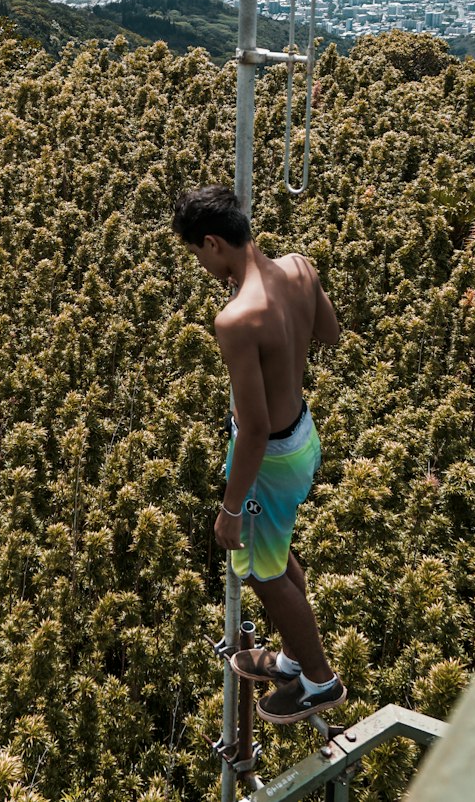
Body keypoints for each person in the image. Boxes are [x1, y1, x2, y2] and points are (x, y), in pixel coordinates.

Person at [172, 185, 346, 723]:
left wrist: (229, 508)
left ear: (213, 242)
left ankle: (320, 681)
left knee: (259, 573)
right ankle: (294, 659)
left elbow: (252, 429)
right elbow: (330, 334)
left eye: (197, 254)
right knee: (274, 551)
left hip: (268, 458)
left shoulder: (235, 320)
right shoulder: (298, 267)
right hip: (302, 438)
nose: (199, 264)